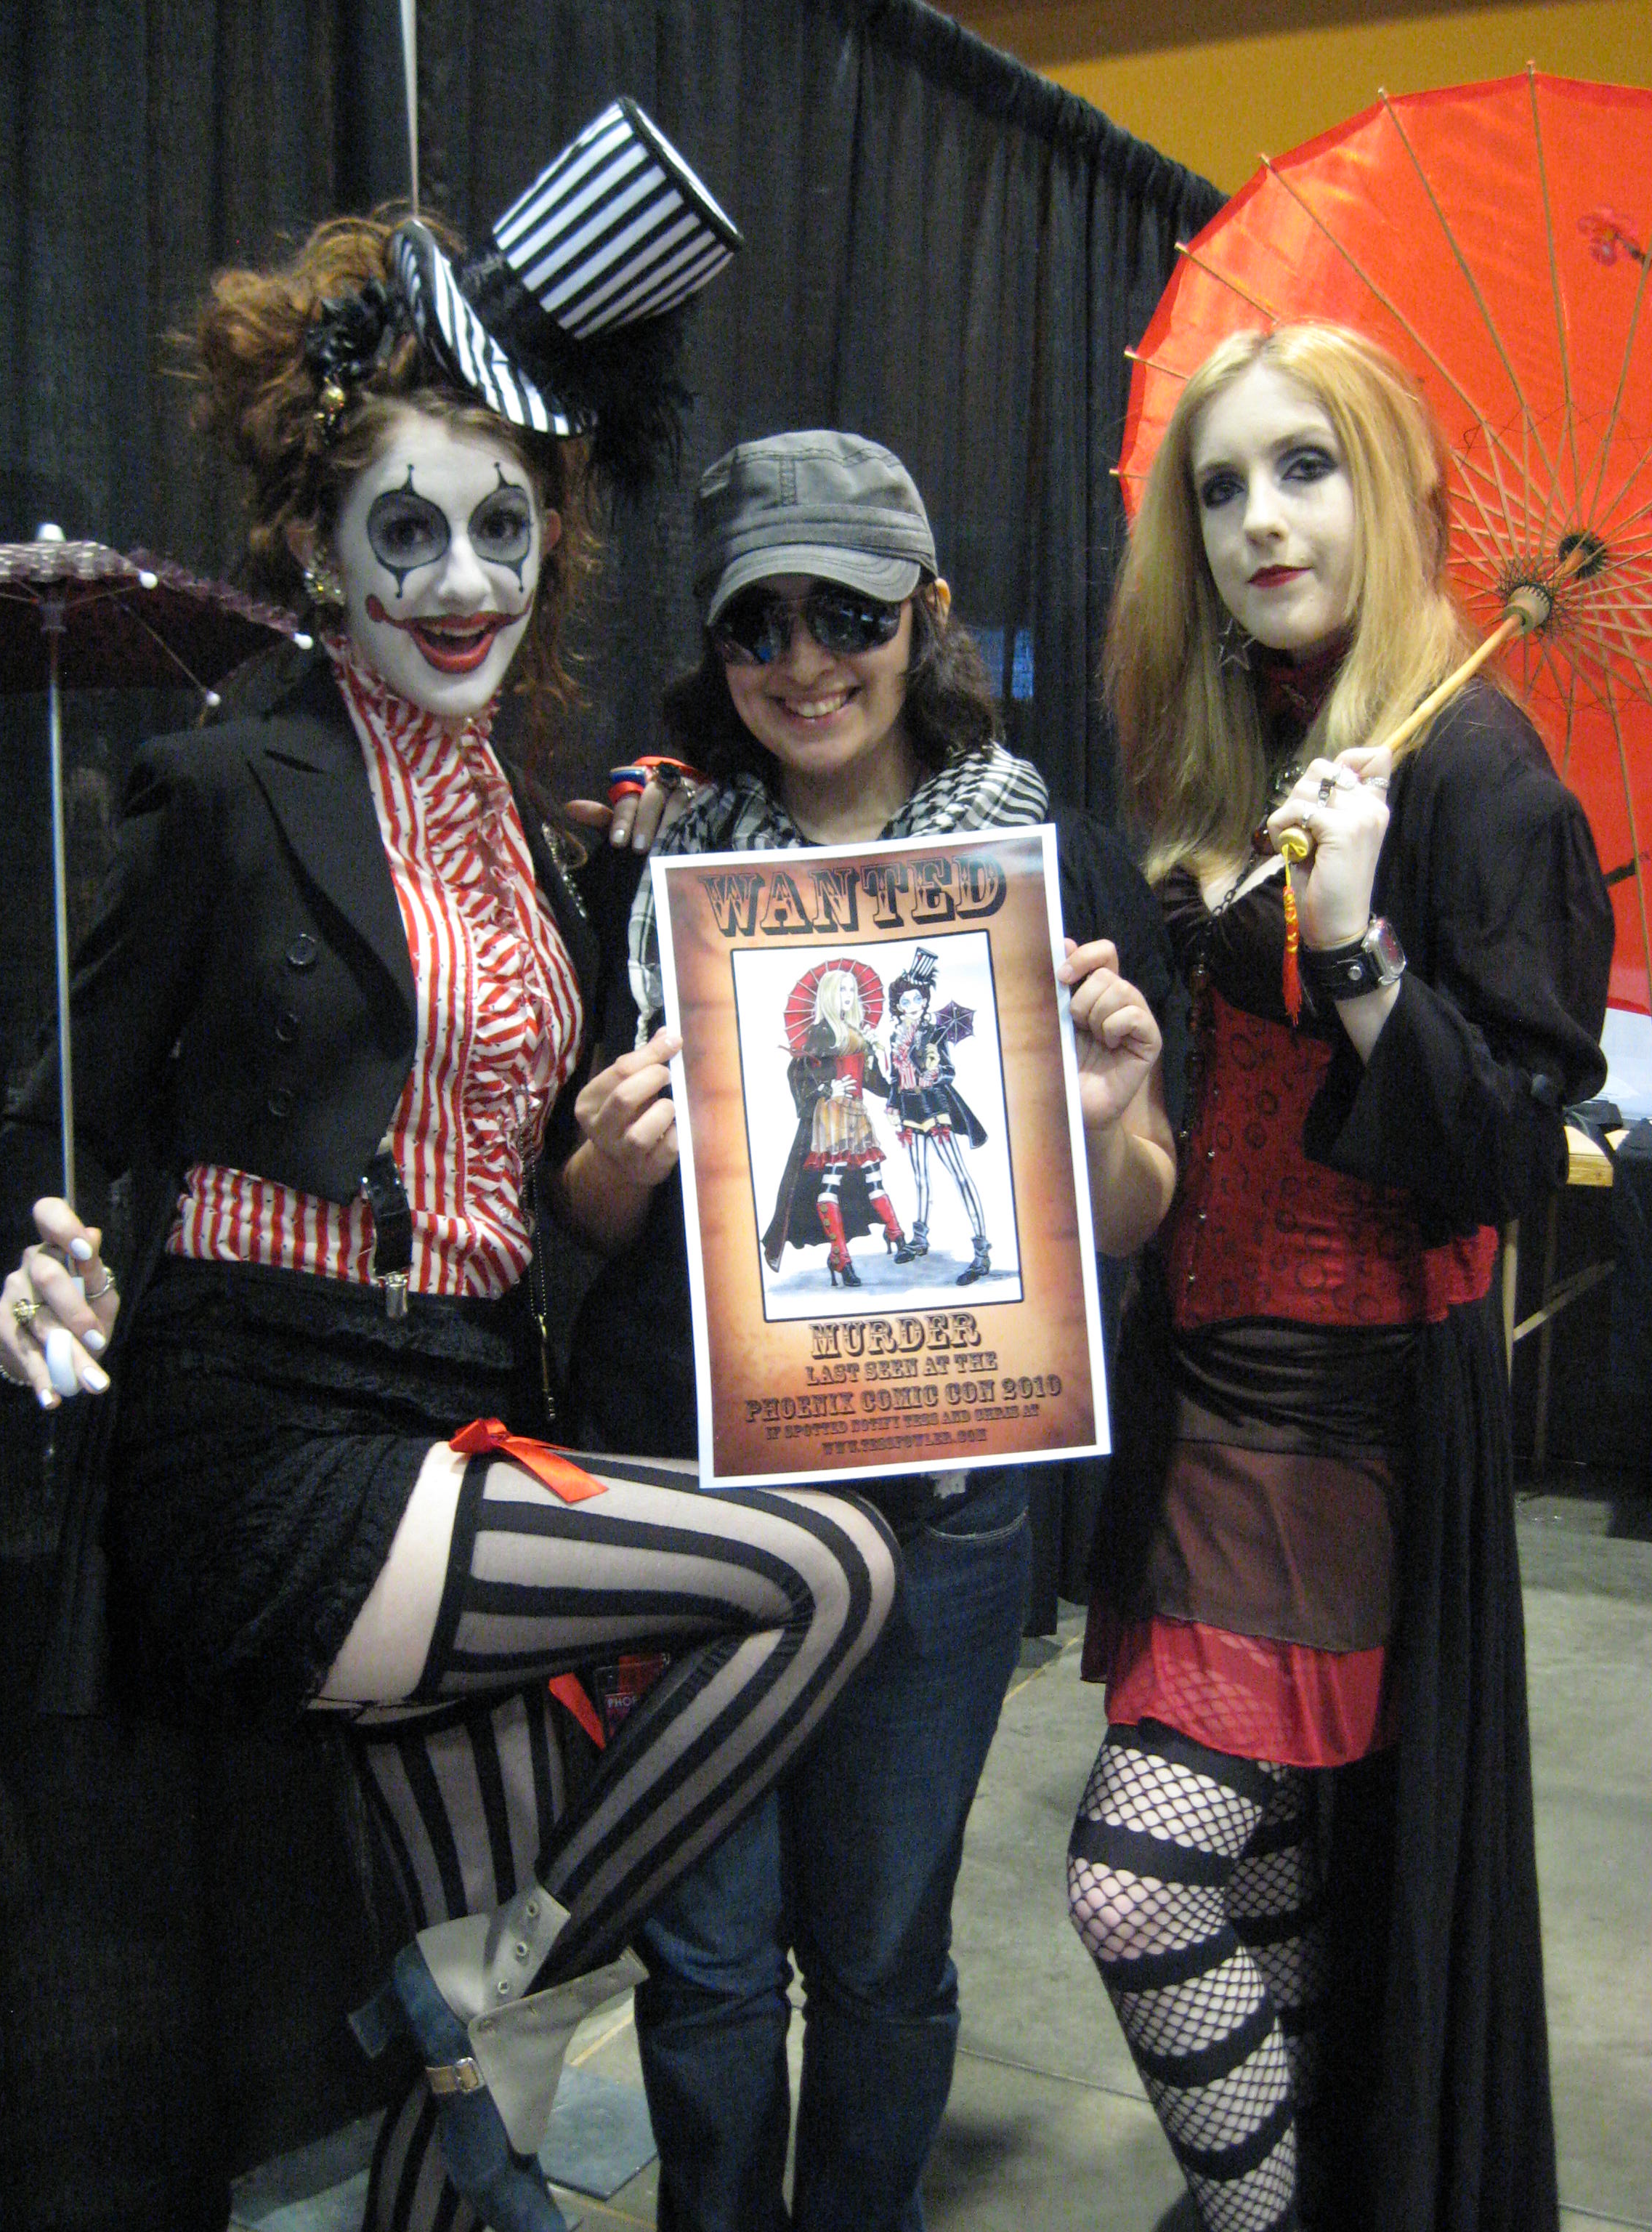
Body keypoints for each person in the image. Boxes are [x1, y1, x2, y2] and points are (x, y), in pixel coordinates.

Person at [0, 119, 901, 2232]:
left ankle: (468, 2000)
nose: (464, 579)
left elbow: (534, 1191)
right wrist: (26, 1254)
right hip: (276, 1448)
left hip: (466, 1406)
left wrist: (604, 1155)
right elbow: (51, 1108)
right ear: (322, 549)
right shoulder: (233, 785)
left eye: (504, 529)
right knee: (823, 1570)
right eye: (408, 530)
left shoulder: (533, 840)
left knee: (485, 2095)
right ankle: (480, 1974)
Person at [556, 429, 1178, 2231]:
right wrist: (611, 1162)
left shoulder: (1049, 865)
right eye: (759, 622)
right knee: (706, 1952)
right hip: (693, 1487)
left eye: (848, 612)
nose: (806, 660)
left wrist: (1104, 1113)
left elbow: (1130, 1213)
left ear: (927, 614)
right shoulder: (655, 875)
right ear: (717, 645)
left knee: (885, 1947)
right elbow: (585, 1225)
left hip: (942, 1497)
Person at [1066, 323, 1613, 2232]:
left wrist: (1361, 944)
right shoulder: (1258, 740)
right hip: (1199, 1385)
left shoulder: (1483, 777)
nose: (1259, 521)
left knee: (1142, 1883)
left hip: (1343, 1418)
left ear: (1389, 490)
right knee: (1274, 1889)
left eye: (1305, 468)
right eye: (1221, 486)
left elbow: (1509, 1155)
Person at [761, 960, 915, 1287]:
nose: (849, 995)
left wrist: (876, 1054)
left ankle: (895, 1233)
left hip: (856, 1113)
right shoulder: (821, 1032)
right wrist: (827, 1089)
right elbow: (798, 1072)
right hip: (831, 1116)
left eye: (852, 989)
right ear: (830, 994)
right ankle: (841, 1256)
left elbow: (872, 1081)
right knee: (831, 1181)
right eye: (842, 989)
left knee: (873, 1176)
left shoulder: (855, 1031)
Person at [882, 946, 992, 1280]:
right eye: (906, 1001)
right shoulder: (895, 1036)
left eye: (918, 999)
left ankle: (981, 1252)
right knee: (920, 1175)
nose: (914, 1005)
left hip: (935, 1105)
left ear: (926, 1000)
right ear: (898, 1006)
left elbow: (948, 1072)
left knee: (958, 1173)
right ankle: (920, 1239)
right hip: (909, 1107)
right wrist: (891, 1103)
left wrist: (934, 1070)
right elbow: (895, 1077)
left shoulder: (933, 1033)